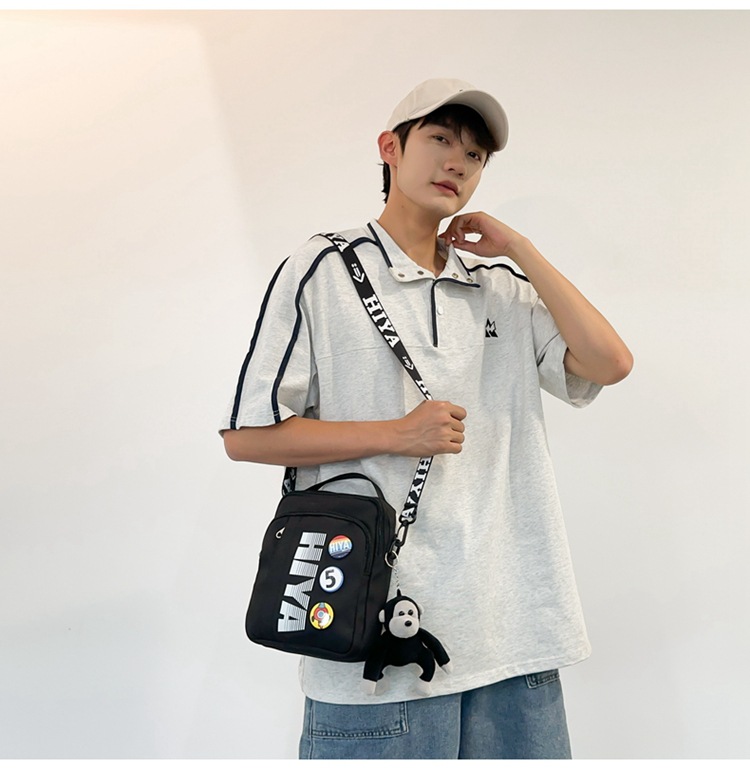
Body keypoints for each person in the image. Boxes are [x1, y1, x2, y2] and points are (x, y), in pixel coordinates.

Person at [219, 78, 633, 760]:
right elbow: (247, 436)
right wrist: (396, 433)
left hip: (514, 636)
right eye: (440, 139)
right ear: (390, 147)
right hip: (377, 641)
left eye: (475, 156)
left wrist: (520, 248)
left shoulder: (498, 286)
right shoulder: (323, 269)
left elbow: (610, 362)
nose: (456, 163)